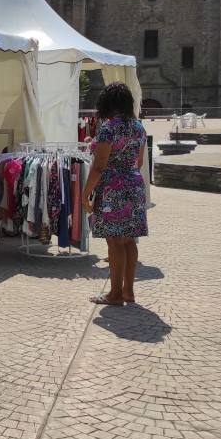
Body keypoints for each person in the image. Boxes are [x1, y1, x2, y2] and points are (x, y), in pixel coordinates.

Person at [83, 83, 148, 306]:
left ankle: (115, 294)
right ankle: (128, 292)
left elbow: (99, 166)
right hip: (134, 185)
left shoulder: (108, 128)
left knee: (114, 241)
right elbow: (139, 162)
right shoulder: (139, 127)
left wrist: (85, 194)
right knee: (129, 240)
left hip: (113, 188)